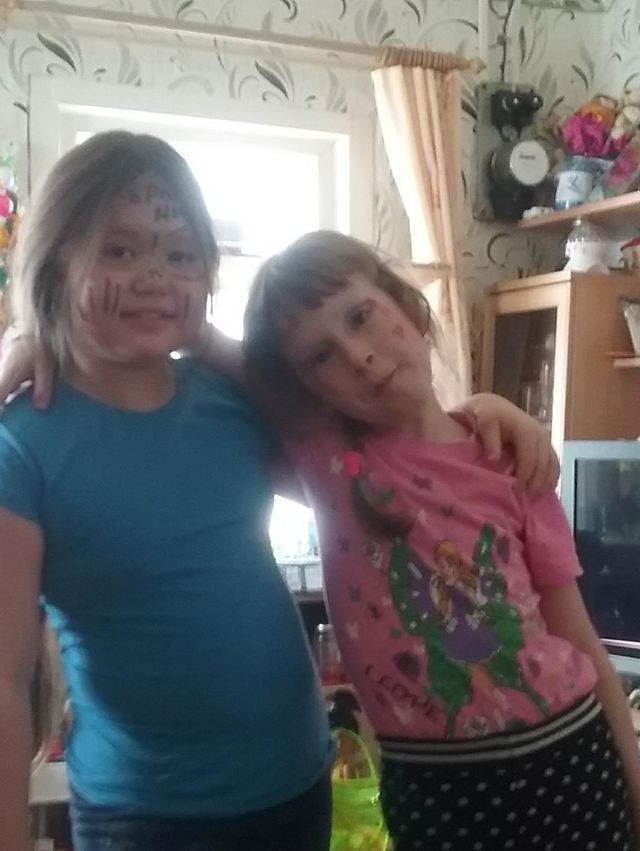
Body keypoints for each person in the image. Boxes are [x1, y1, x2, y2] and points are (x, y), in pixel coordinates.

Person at [0, 132, 558, 851]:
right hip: (143, 812)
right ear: (55, 260)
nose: (153, 277)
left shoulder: (233, 398)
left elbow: (394, 453)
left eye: (180, 254)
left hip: (295, 785)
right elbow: (6, 681)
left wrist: (486, 411)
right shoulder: (23, 444)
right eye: (119, 250)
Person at [239, 230, 640, 851]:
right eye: (320, 356)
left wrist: (636, 786)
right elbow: (218, 362)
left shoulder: (512, 459)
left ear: (403, 303)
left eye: (360, 316)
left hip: (570, 759)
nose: (357, 356)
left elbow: (578, 635)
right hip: (434, 789)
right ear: (307, 388)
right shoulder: (333, 466)